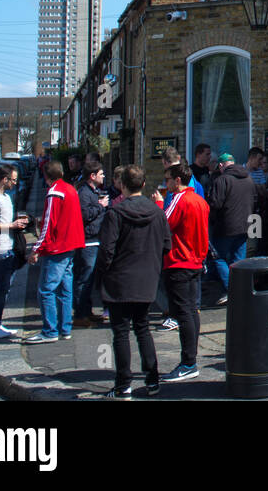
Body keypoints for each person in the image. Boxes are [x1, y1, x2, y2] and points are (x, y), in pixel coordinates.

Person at [97, 164, 172, 399]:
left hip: (120, 281)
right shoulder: (158, 212)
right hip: (147, 279)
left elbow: (106, 252)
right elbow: (167, 245)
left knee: (120, 334)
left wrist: (103, 276)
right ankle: (152, 381)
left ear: (123, 185)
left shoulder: (115, 214)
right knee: (143, 329)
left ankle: (123, 386)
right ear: (142, 184)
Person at [25, 161, 85, 344]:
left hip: (57, 248)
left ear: (46, 176)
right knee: (66, 290)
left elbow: (48, 224)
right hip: (71, 246)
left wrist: (36, 249)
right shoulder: (70, 189)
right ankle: (65, 328)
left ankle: (50, 331)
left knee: (46, 290)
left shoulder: (54, 193)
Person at [161, 164, 208, 383]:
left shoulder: (180, 199)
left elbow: (164, 225)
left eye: (168, 179)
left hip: (180, 261)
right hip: (196, 261)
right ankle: (190, 360)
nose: (166, 183)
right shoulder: (201, 201)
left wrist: (160, 204)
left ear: (178, 180)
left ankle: (188, 362)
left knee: (183, 314)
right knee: (191, 311)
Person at [206, 153, 264, 305]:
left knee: (218, 257)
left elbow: (215, 204)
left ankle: (232, 289)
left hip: (226, 226)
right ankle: (241, 290)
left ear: (220, 166)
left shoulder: (222, 180)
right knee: (239, 261)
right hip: (246, 226)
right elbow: (256, 200)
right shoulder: (248, 179)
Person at [0, 164, 28, 339]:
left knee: (5, 288)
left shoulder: (6, 197)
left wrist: (20, 222)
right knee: (2, 288)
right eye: (13, 180)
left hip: (9, 247)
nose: (15, 183)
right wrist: (11, 225)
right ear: (4, 179)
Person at [74, 159, 109, 326]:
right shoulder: (84, 193)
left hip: (95, 240)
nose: (104, 176)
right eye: (101, 174)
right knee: (84, 279)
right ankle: (80, 315)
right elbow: (84, 215)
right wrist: (101, 206)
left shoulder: (92, 191)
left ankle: (86, 312)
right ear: (92, 175)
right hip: (87, 241)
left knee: (90, 280)